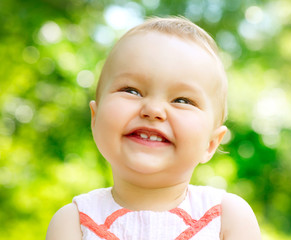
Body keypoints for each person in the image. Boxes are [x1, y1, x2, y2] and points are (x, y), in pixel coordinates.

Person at [46, 16, 261, 240]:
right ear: (95, 118)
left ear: (211, 143)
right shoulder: (73, 222)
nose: (153, 109)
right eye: (131, 90)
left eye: (182, 100)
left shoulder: (227, 218)